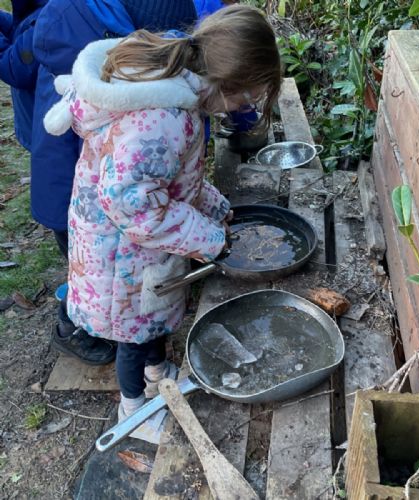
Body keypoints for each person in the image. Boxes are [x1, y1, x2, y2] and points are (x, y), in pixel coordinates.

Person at [44, 4, 281, 443]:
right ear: (225, 83)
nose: (244, 108)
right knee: (132, 333)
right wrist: (210, 238)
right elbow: (133, 207)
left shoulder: (181, 92)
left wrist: (212, 204)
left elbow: (168, 182)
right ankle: (132, 410)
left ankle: (157, 369)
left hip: (136, 246)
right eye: (246, 98)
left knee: (150, 319)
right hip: (121, 255)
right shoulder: (163, 120)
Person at [31, 0, 198, 366]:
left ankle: (111, 334)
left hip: (88, 196)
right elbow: (126, 188)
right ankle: (72, 331)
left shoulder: (119, 60)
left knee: (101, 285)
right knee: (96, 286)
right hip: (78, 195)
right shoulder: (123, 85)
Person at [0, 0, 47, 151]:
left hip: (48, 135)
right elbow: (20, 31)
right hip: (38, 125)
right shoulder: (38, 7)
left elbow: (15, 68)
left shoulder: (51, 15)